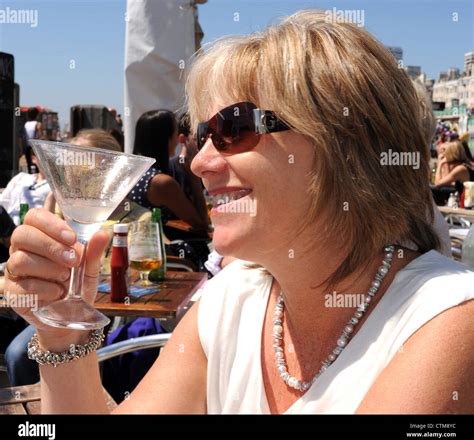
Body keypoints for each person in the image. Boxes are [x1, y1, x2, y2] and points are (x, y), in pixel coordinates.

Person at [5, 10, 474, 414]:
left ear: (345, 143)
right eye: (200, 136)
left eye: (233, 129)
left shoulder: (448, 319)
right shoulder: (233, 298)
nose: (199, 161)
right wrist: (62, 336)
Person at [128, 110, 209, 233]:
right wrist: (193, 178)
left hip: (131, 243)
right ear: (165, 139)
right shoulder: (161, 182)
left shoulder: (131, 172)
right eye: (176, 133)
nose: (177, 140)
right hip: (151, 248)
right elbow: (202, 224)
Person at [23, 107, 42, 173]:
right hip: (35, 147)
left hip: (27, 146)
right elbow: (40, 136)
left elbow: (24, 136)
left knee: (29, 165)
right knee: (37, 165)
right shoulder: (38, 124)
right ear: (37, 115)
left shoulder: (26, 124)